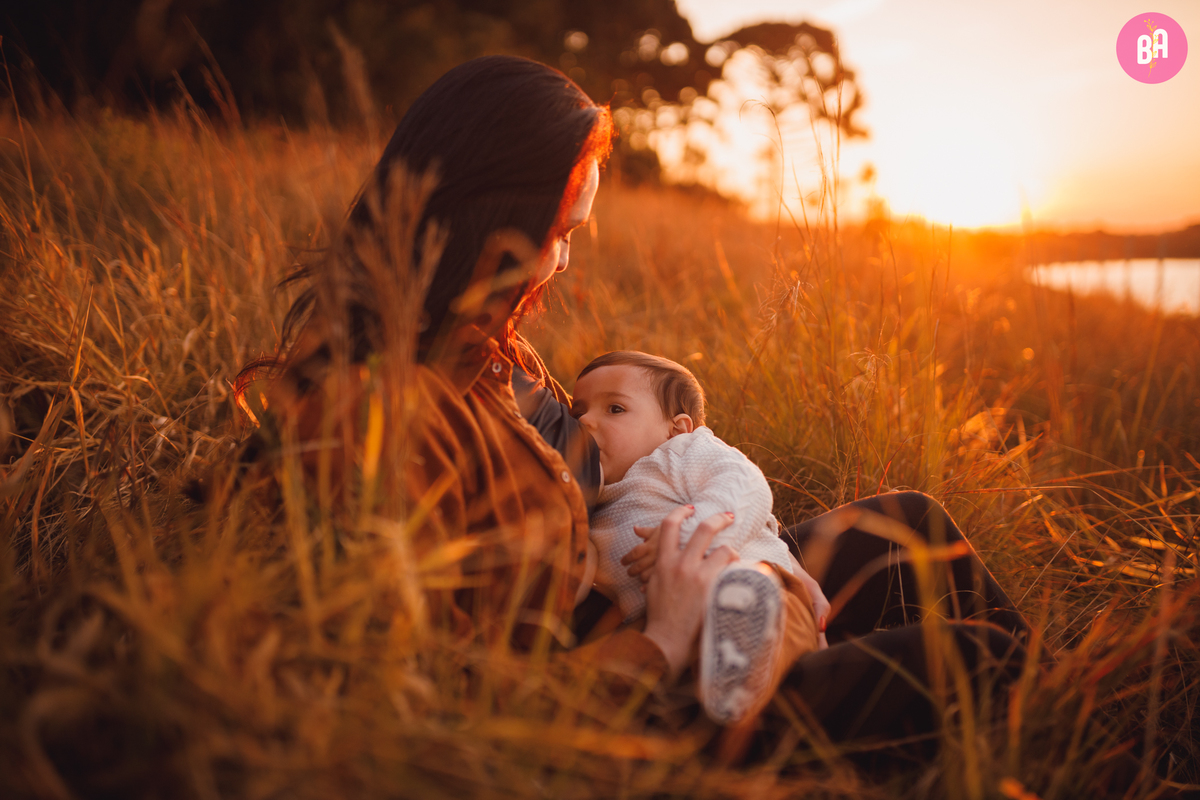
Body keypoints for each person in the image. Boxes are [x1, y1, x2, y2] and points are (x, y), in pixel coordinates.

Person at [245, 54, 1029, 765]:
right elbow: (448, 698)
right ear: (495, 217)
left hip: (658, 588)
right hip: (640, 700)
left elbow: (611, 469)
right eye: (560, 233)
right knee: (979, 661)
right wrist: (664, 636)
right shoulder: (378, 417)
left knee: (910, 524)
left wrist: (757, 554)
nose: (563, 260)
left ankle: (1020, 711)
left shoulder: (492, 352)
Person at [570, 350, 825, 724]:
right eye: (577, 412)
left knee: (773, 624)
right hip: (661, 619)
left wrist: (690, 535)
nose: (585, 421)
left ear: (676, 428)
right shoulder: (590, 498)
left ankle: (755, 687)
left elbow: (746, 486)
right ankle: (721, 699)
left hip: (755, 585)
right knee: (684, 690)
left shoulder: (682, 452)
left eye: (615, 409)